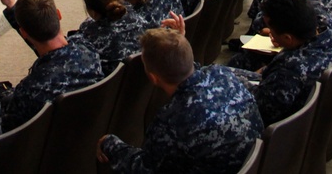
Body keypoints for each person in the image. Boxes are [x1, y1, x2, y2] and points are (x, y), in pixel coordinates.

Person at [97, 26, 263, 174]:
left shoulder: (171, 120)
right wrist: (180, 43)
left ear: (153, 78)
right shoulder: (223, 75)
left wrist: (111, 144)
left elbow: (145, 168)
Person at [0, 0, 104, 130]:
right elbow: (52, 50)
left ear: (23, 32)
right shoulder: (89, 51)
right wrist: (12, 5)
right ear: (58, 14)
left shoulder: (31, 90)